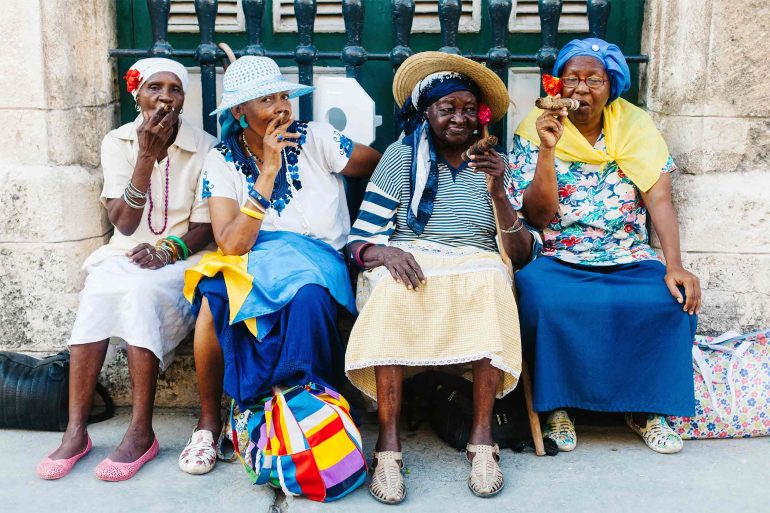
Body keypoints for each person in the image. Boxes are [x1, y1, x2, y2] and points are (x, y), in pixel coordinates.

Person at [344, 52, 539, 504]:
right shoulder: (401, 156)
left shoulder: (496, 163)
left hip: (476, 259)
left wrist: (498, 191)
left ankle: (482, 438)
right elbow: (360, 241)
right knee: (392, 287)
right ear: (426, 113)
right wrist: (384, 251)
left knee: (492, 281)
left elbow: (520, 253)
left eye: (468, 109)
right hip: (410, 257)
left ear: (481, 115)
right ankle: (388, 446)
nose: (459, 119)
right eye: (446, 109)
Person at [178, 56, 381, 476]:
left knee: (306, 295)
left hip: (319, 261)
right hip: (255, 255)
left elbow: (378, 163)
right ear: (240, 112)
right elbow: (231, 244)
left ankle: (301, 408)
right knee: (213, 298)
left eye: (284, 96)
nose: (282, 107)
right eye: (266, 99)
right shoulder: (223, 159)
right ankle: (208, 423)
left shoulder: (317, 138)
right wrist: (267, 172)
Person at [510, 37, 701, 455]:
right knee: (541, 297)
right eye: (571, 79)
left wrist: (675, 264)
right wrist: (547, 148)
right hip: (561, 253)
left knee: (671, 301)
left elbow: (660, 199)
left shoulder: (635, 128)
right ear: (557, 86)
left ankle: (647, 411)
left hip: (628, 254)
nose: (581, 89)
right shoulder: (535, 128)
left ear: (610, 85)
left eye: (593, 79)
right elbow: (537, 217)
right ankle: (559, 408)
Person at [37, 58, 216, 481]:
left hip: (181, 257)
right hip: (126, 250)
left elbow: (206, 226)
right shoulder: (117, 141)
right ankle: (76, 430)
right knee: (97, 290)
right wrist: (145, 157)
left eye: (175, 89)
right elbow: (125, 223)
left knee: (141, 293)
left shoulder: (205, 146)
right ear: (137, 95)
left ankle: (140, 432)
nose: (166, 97)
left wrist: (168, 251)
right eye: (155, 87)